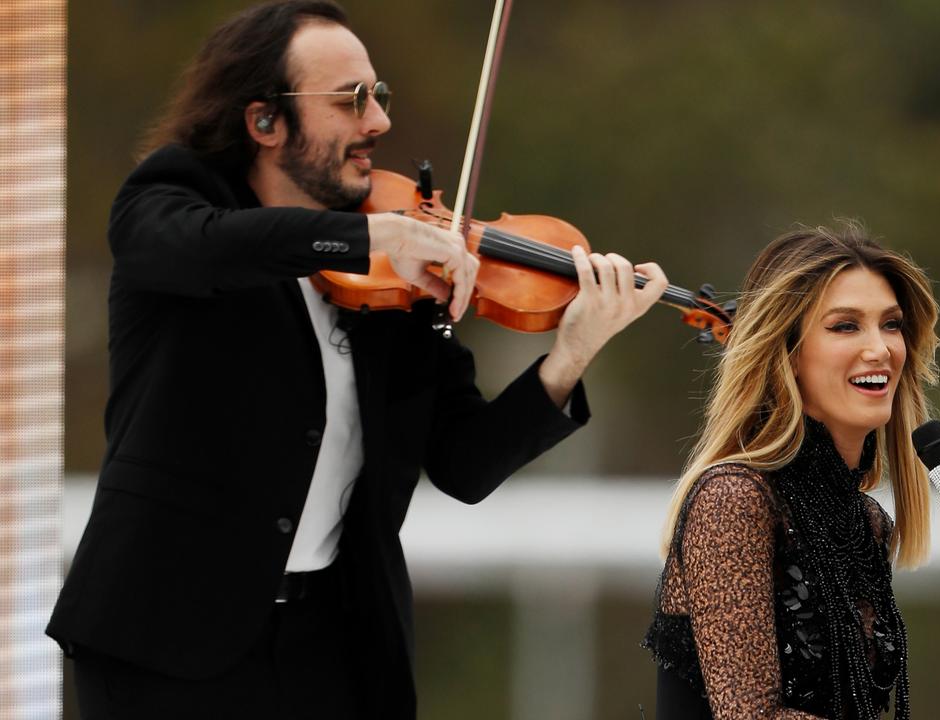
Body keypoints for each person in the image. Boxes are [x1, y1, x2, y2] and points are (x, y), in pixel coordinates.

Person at [48, 2, 667, 719]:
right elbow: (209, 247)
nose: (378, 123)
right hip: (165, 641)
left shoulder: (400, 281)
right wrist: (367, 240)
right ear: (264, 122)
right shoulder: (173, 200)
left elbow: (464, 465)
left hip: (332, 645)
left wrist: (574, 350)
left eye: (380, 97)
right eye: (350, 100)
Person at [642, 223, 937, 719]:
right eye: (845, 325)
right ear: (789, 351)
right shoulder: (734, 498)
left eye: (891, 324)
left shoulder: (865, 523)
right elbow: (750, 717)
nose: (881, 348)